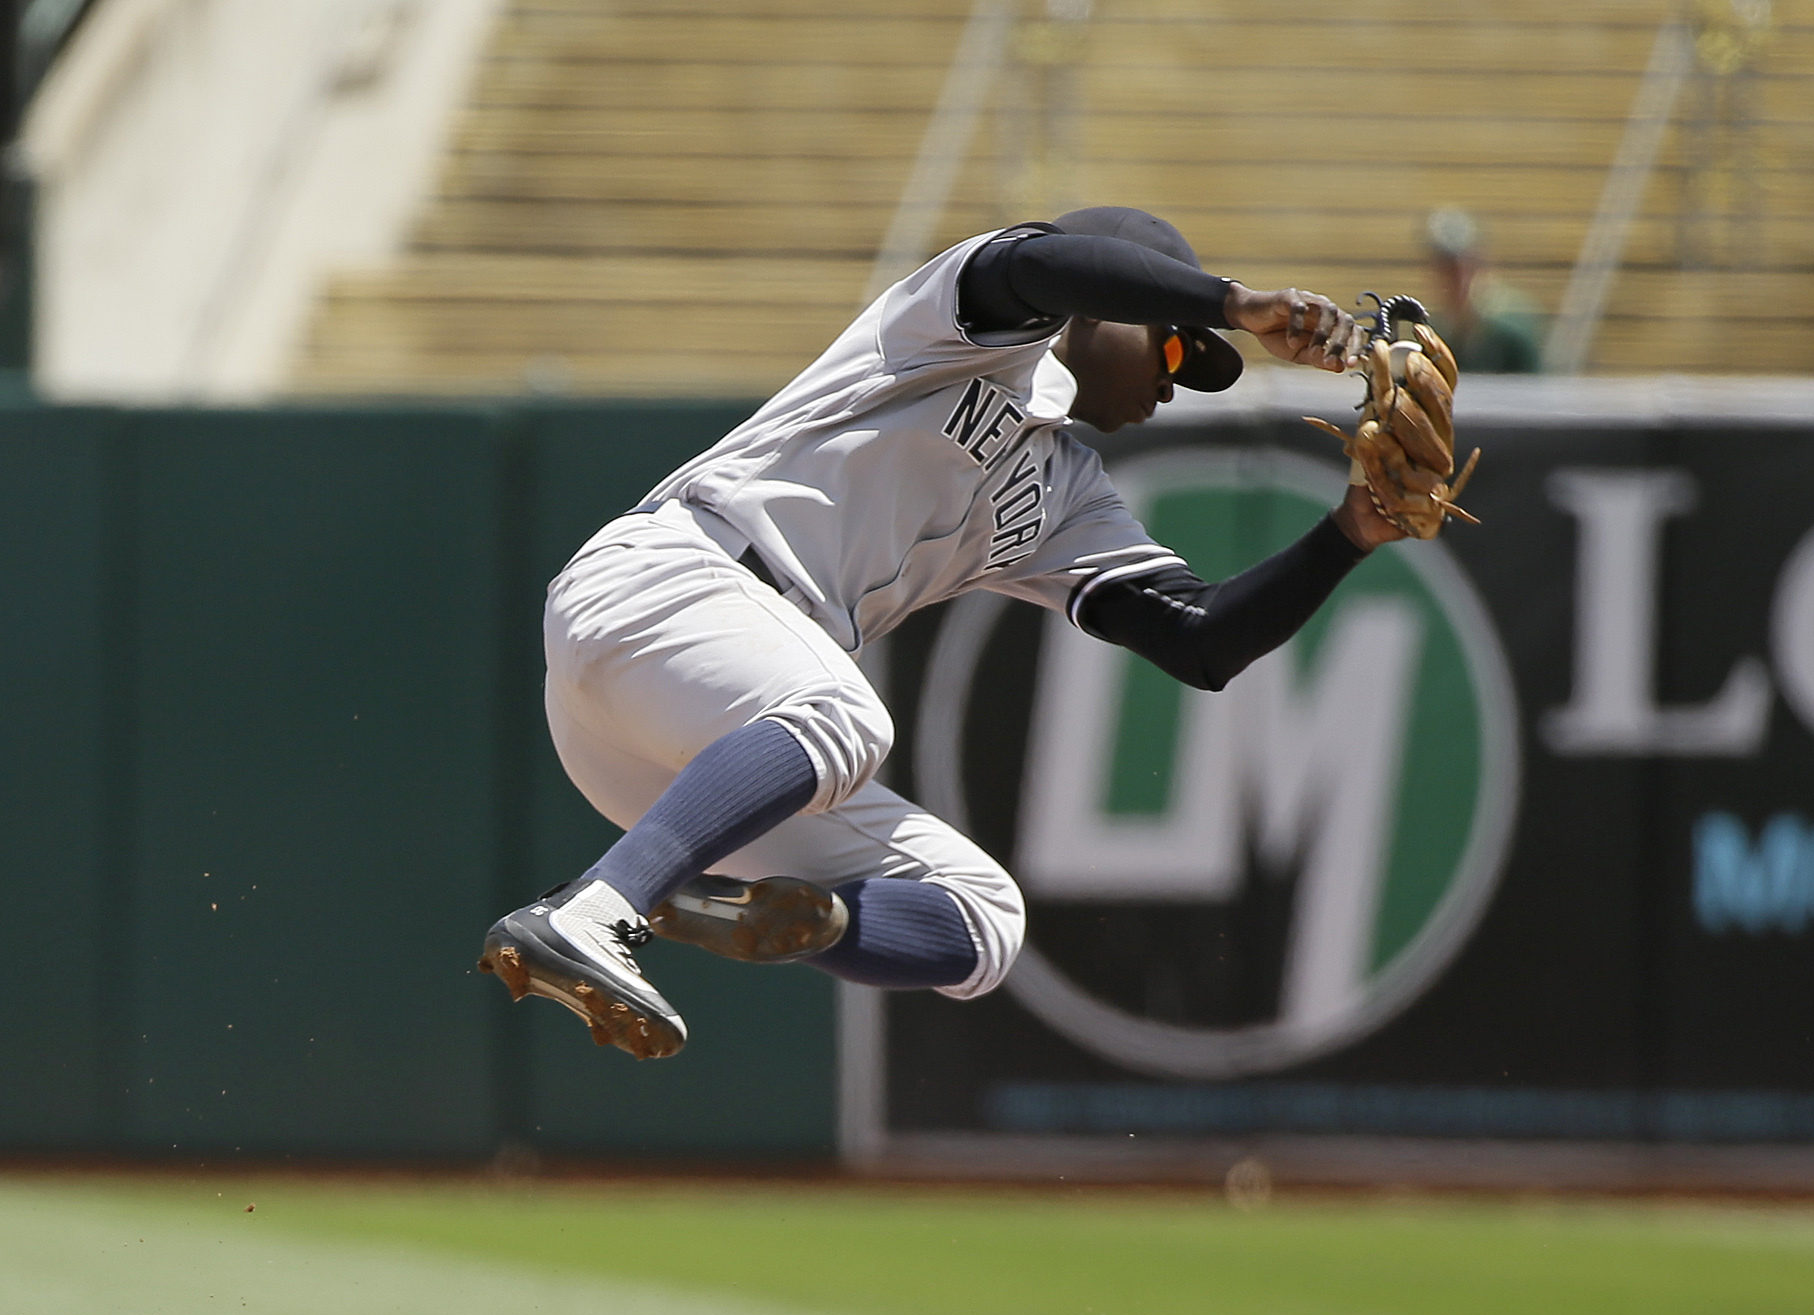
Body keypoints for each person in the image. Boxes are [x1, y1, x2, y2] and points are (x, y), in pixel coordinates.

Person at [471, 207, 1409, 1061]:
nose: (1172, 387)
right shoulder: (961, 324)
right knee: (845, 714)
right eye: (1172, 353)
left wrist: (1353, 531)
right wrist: (1238, 303)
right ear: (1102, 310)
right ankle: (596, 912)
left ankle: (793, 916)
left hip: (676, 744)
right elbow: (1050, 261)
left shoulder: (1068, 494)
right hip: (668, 582)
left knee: (985, 918)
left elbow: (1199, 639)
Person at [1421, 208, 1544, 376]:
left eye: (1465, 267)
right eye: (1446, 269)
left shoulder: (1511, 330)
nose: (1458, 279)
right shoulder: (1434, 331)